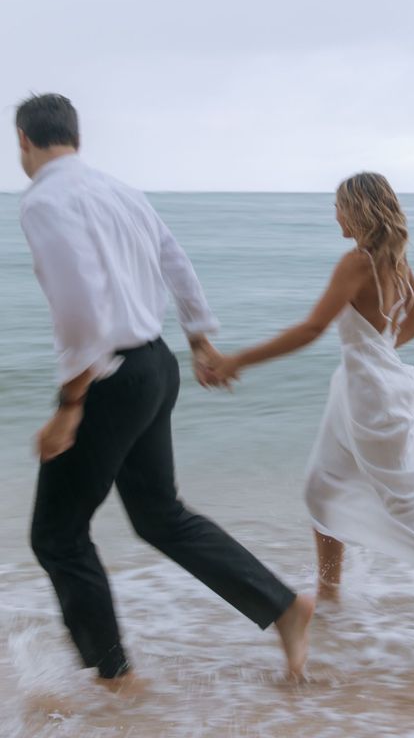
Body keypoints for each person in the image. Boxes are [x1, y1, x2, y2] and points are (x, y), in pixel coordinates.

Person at [15, 93, 313, 682]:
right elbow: (174, 259)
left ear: (23, 141)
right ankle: (283, 606)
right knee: (158, 515)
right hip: (155, 365)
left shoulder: (44, 201)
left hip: (109, 377)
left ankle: (115, 679)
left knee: (56, 535)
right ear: (76, 137)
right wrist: (200, 338)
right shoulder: (118, 190)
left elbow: (80, 305)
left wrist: (70, 405)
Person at [205, 172, 414, 627]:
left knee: (410, 505)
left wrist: (239, 360)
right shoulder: (397, 262)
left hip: (368, 398)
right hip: (360, 389)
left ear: (358, 209)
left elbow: (311, 329)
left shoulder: (357, 262)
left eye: (338, 206)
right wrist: (377, 352)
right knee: (321, 489)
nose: (335, 214)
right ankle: (329, 595)